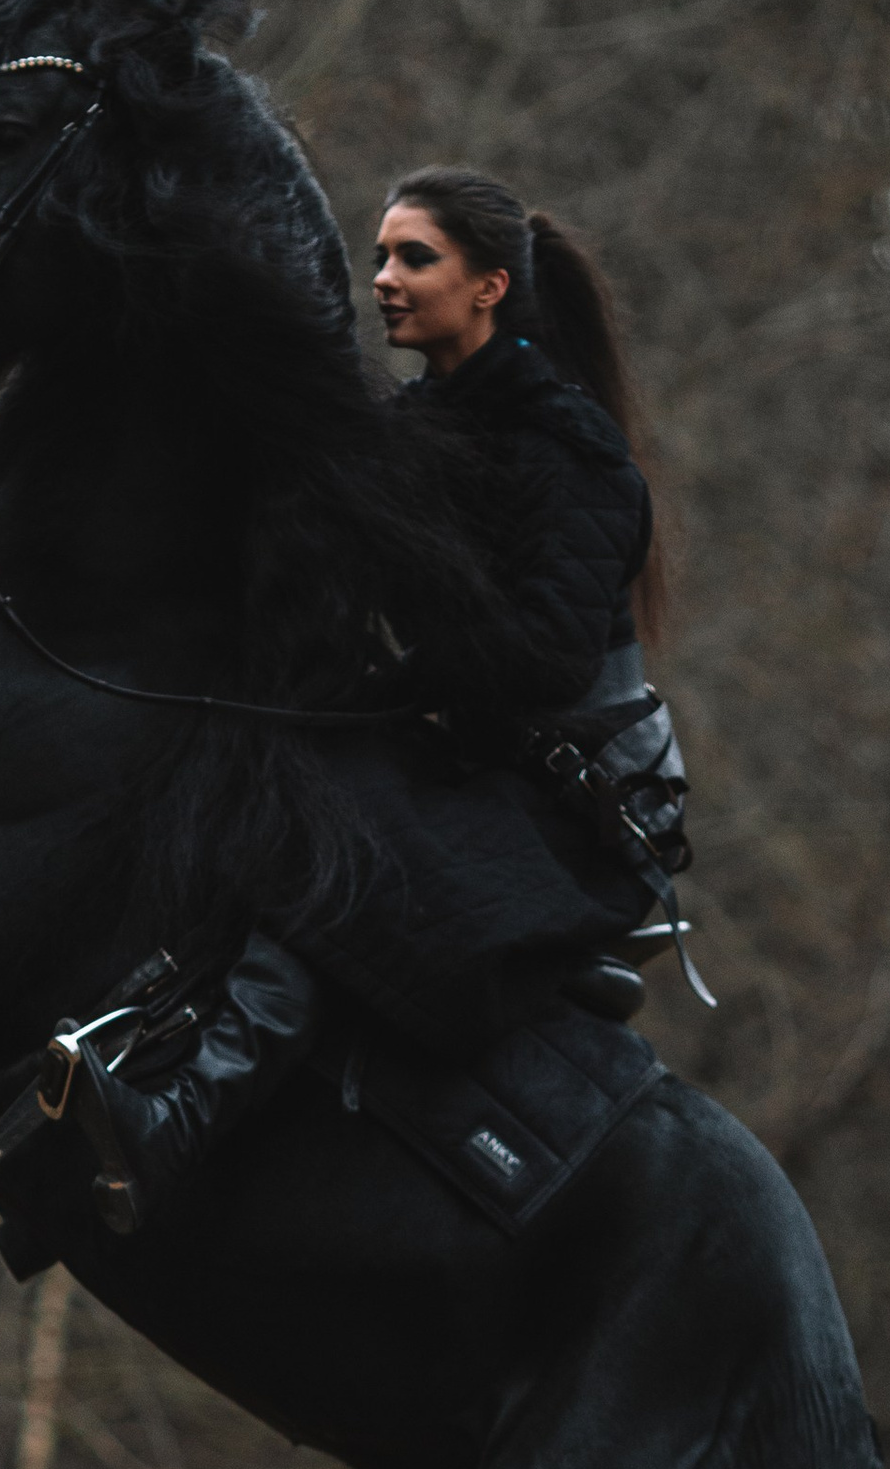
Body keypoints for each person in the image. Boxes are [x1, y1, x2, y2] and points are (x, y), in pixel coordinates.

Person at [65, 170, 671, 1233]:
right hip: (457, 754)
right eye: (381, 255)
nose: (382, 279)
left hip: (560, 808)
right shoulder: (404, 427)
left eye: (413, 258)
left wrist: (409, 614)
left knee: (339, 846)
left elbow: (544, 658)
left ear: (487, 287)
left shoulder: (571, 453)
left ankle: (181, 1115)